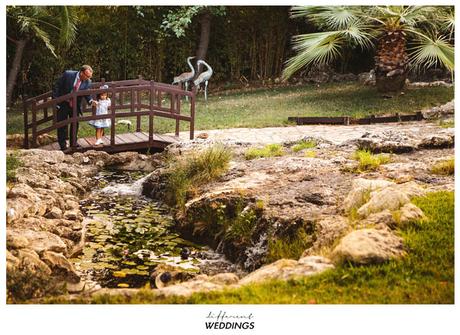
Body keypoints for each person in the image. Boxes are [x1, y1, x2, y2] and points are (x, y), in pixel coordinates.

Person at [52, 65, 97, 151]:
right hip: (63, 103)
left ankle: (74, 143)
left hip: (75, 105)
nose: (88, 78)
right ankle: (63, 145)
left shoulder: (88, 82)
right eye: (87, 76)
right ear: (81, 73)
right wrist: (56, 101)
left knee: (75, 124)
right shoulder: (68, 74)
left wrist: (91, 101)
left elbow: (87, 94)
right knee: (62, 124)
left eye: (90, 77)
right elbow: (57, 86)